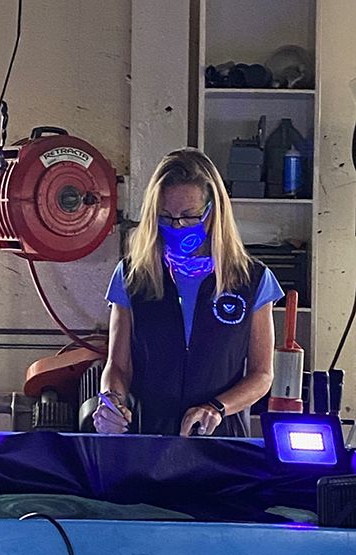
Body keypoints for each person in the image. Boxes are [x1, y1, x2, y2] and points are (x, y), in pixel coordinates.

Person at [93, 147, 284, 437]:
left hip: (219, 441)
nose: (177, 226)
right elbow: (118, 366)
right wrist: (111, 401)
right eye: (166, 217)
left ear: (213, 212)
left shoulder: (252, 280)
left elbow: (261, 375)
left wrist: (217, 408)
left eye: (189, 216)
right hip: (148, 437)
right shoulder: (133, 276)